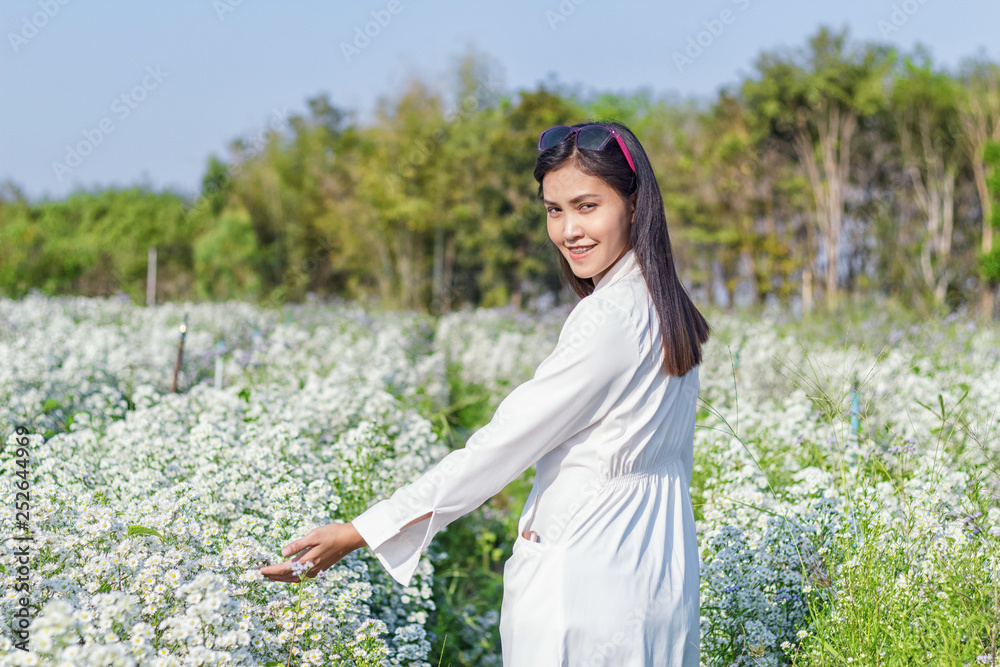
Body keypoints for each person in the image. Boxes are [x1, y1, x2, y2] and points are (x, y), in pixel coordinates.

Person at [259, 120, 711, 666]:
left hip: (588, 581)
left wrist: (361, 531)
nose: (569, 230)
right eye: (554, 210)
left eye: (587, 206)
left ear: (634, 205)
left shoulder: (609, 318)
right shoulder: (663, 306)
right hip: (658, 572)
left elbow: (499, 449)